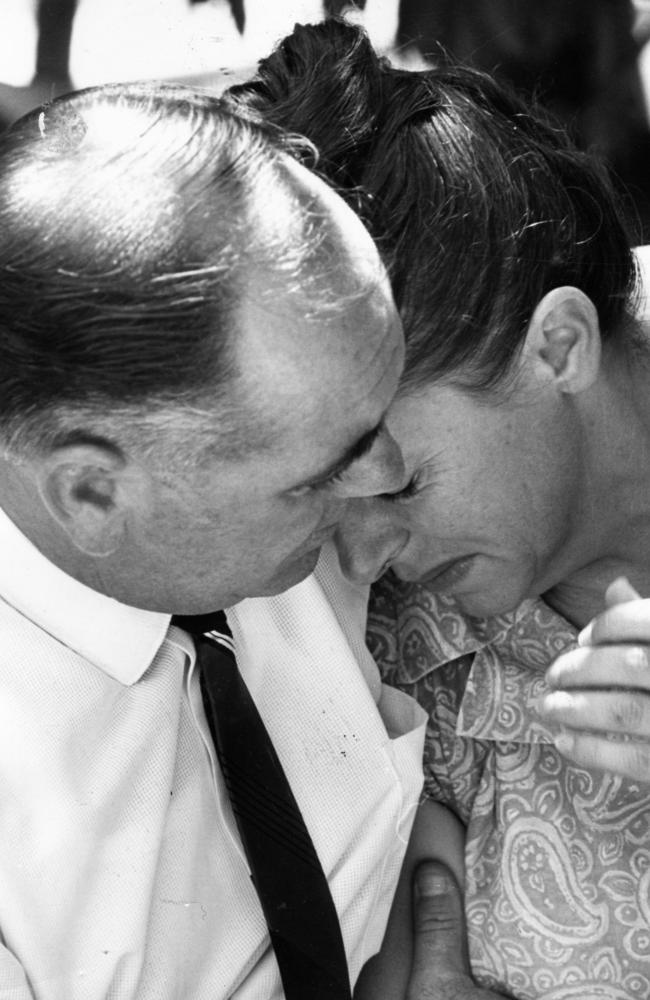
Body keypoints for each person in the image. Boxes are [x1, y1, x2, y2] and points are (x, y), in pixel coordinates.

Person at [226, 18, 650, 999]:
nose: (368, 550)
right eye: (333, 503)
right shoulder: (407, 656)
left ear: (557, 346)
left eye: (400, 481)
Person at [0, 79, 447, 999]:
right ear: (91, 492)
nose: (390, 475)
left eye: (382, 410)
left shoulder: (273, 526)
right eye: (328, 465)